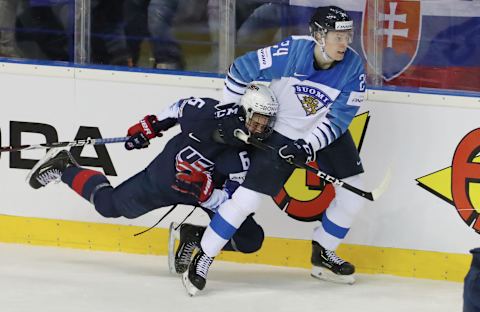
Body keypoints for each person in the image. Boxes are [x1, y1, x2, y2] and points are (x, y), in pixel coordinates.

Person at [181, 5, 367, 296]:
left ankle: (323, 253)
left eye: (348, 36)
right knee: (247, 201)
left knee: (355, 193)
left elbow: (339, 120)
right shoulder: (293, 52)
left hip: (324, 133)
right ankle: (203, 255)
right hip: (281, 133)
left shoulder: (353, 67)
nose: (344, 43)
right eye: (337, 37)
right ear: (319, 35)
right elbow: (239, 70)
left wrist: (308, 146)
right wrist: (231, 112)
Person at [26, 84, 279, 268]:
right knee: (108, 205)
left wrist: (211, 197)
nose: (259, 130)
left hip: (205, 192)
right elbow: (179, 108)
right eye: (256, 122)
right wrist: (152, 126)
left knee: (249, 240)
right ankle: (64, 167)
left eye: (265, 124)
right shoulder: (208, 114)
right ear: (244, 112)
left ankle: (193, 237)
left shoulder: (255, 151)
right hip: (165, 179)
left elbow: (236, 196)